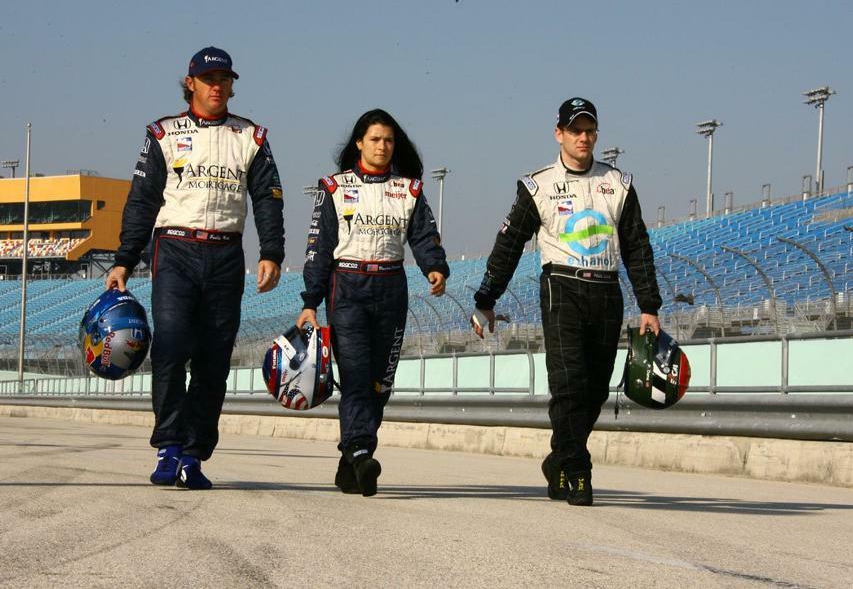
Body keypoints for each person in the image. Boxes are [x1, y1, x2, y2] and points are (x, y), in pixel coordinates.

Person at [106, 46, 285, 490]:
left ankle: (193, 454)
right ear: (191, 84)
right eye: (209, 80)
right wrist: (125, 259)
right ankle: (168, 446)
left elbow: (267, 197)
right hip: (175, 249)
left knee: (213, 361)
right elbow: (142, 200)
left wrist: (272, 253)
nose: (217, 87)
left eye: (224, 80)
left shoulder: (252, 136)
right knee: (170, 346)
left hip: (226, 254)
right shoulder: (163, 133)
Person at [470, 97, 661, 506]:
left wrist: (650, 306)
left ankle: (559, 457)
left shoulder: (618, 183)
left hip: (607, 290)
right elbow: (508, 245)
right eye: (575, 130)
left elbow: (638, 246)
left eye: (590, 130)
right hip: (562, 289)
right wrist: (486, 298)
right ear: (559, 134)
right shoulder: (537, 185)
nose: (584, 137)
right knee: (568, 384)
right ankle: (577, 470)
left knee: (594, 390)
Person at [297, 109, 449, 497]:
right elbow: (319, 248)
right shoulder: (334, 187)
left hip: (391, 287)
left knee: (380, 384)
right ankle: (364, 451)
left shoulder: (409, 189)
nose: (382, 146)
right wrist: (311, 300)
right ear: (359, 143)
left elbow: (424, 235)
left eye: (389, 140)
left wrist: (435, 267)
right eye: (375, 139)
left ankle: (351, 458)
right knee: (357, 379)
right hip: (346, 286)